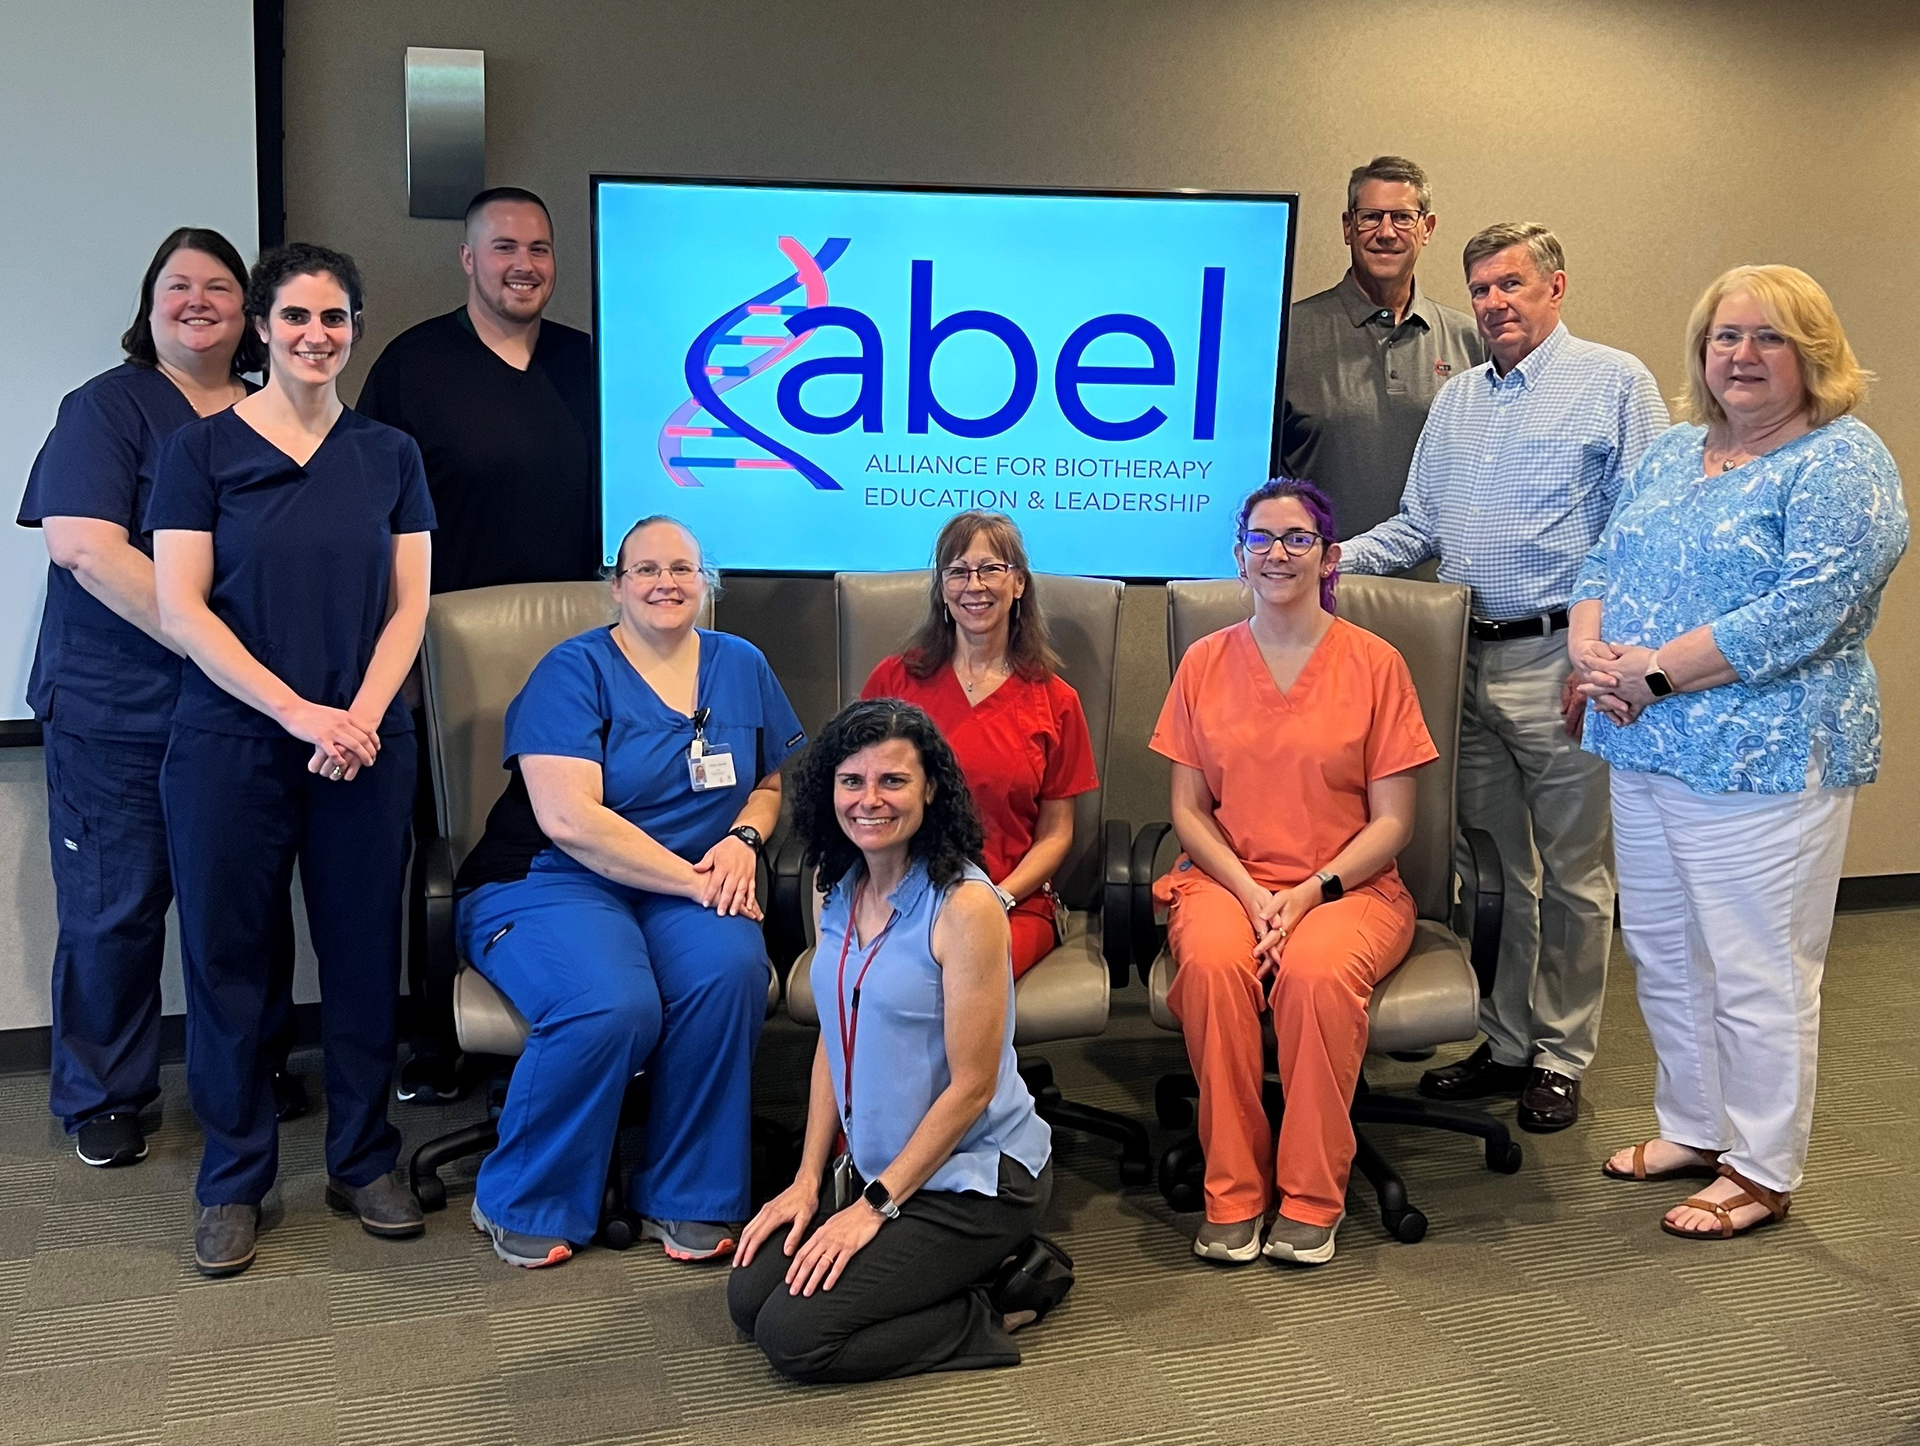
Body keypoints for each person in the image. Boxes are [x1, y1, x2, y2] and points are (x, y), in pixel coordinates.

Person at [1569, 265, 1907, 1238]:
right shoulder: (1675, 451)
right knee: (1666, 952)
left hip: (1763, 757)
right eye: (1726, 337)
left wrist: (1656, 671)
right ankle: (1694, 1126)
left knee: (1758, 967)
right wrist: (1591, 649)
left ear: (1814, 353)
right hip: (1644, 743)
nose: (1743, 356)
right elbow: (1605, 557)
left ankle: (1760, 1168)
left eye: (1768, 337)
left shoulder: (1843, 461)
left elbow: (1811, 607)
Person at [1339, 222, 1669, 1132]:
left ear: (1556, 288)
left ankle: (1562, 1055)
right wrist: (1323, 561)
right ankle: (1505, 1040)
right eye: (1481, 289)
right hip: (1464, 663)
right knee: (1494, 873)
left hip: (1563, 660)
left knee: (1572, 875)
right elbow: (1416, 528)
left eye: (1512, 285)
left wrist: (1601, 660)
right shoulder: (1459, 403)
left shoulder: (1614, 383)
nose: (1494, 304)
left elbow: (1644, 537)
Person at [148, 242, 435, 1278]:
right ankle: (234, 1177)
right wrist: (298, 712)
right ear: (263, 327)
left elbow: (411, 608)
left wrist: (354, 715)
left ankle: (364, 1160)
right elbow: (182, 608)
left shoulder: (389, 455)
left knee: (363, 958)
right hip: (233, 743)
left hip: (367, 744)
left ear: (353, 329)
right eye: (298, 317)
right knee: (231, 961)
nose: (318, 336)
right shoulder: (202, 453)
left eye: (336, 319)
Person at [16, 228, 306, 1172]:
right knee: (118, 907)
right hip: (119, 710)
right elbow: (83, 547)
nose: (198, 301)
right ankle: (104, 1093)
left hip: (240, 711)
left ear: (251, 314)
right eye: (177, 286)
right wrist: (215, 645)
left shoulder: (279, 414)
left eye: (220, 287)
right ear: (149, 306)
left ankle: (250, 1066)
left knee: (242, 902)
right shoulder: (105, 409)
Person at [454, 516, 804, 1269]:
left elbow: (772, 781)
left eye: (682, 569)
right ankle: (522, 1196)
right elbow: (570, 821)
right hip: (551, 880)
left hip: (683, 883)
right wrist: (699, 881)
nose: (665, 583)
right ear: (616, 585)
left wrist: (743, 838)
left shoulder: (742, 663)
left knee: (729, 973)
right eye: (645, 569)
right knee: (609, 1003)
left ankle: (690, 1194)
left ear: (706, 585)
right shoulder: (572, 670)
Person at [1150, 479, 1437, 1266]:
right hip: (1225, 880)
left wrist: (1306, 896)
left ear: (1329, 556)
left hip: (1349, 887)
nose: (1278, 553)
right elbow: (1188, 811)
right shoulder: (1205, 663)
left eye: (1298, 538)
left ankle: (1312, 1197)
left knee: (1312, 975)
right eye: (1261, 539)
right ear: (1238, 556)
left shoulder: (1377, 665)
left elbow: (1393, 823)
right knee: (1211, 964)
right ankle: (1233, 1193)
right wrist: (1251, 896)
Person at [730, 699, 1060, 1381]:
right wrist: (806, 1181)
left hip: (975, 1177)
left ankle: (1000, 1299)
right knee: (748, 1301)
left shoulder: (966, 907)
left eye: (893, 781)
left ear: (931, 788)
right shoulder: (835, 886)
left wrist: (872, 1209)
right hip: (887, 1168)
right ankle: (932, 1276)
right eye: (852, 781)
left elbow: (972, 1089)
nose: (869, 801)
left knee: (795, 1339)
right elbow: (834, 1037)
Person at [355, 185, 599, 1106]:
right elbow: (375, 521)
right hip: (443, 658)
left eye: (539, 248)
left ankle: (561, 1014)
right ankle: (437, 1033)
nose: (524, 264)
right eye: (504, 247)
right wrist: (393, 662)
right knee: (442, 846)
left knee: (564, 839)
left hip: (580, 661)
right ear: (468, 258)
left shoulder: (588, 362)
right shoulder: (415, 364)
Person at [859, 512, 1098, 978]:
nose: (975, 585)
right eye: (958, 571)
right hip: (904, 897)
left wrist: (997, 896)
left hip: (1011, 901)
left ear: (1019, 584)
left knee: (962, 972)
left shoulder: (1056, 701)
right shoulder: (893, 681)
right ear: (942, 588)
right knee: (896, 978)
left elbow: (1056, 834)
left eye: (991, 569)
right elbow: (858, 798)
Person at [1278, 156, 1485, 536]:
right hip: (1318, 583)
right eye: (1371, 216)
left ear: (1428, 228)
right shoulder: (1285, 334)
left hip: (1435, 587)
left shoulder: (1470, 340)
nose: (1386, 232)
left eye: (1403, 218)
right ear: (1347, 227)